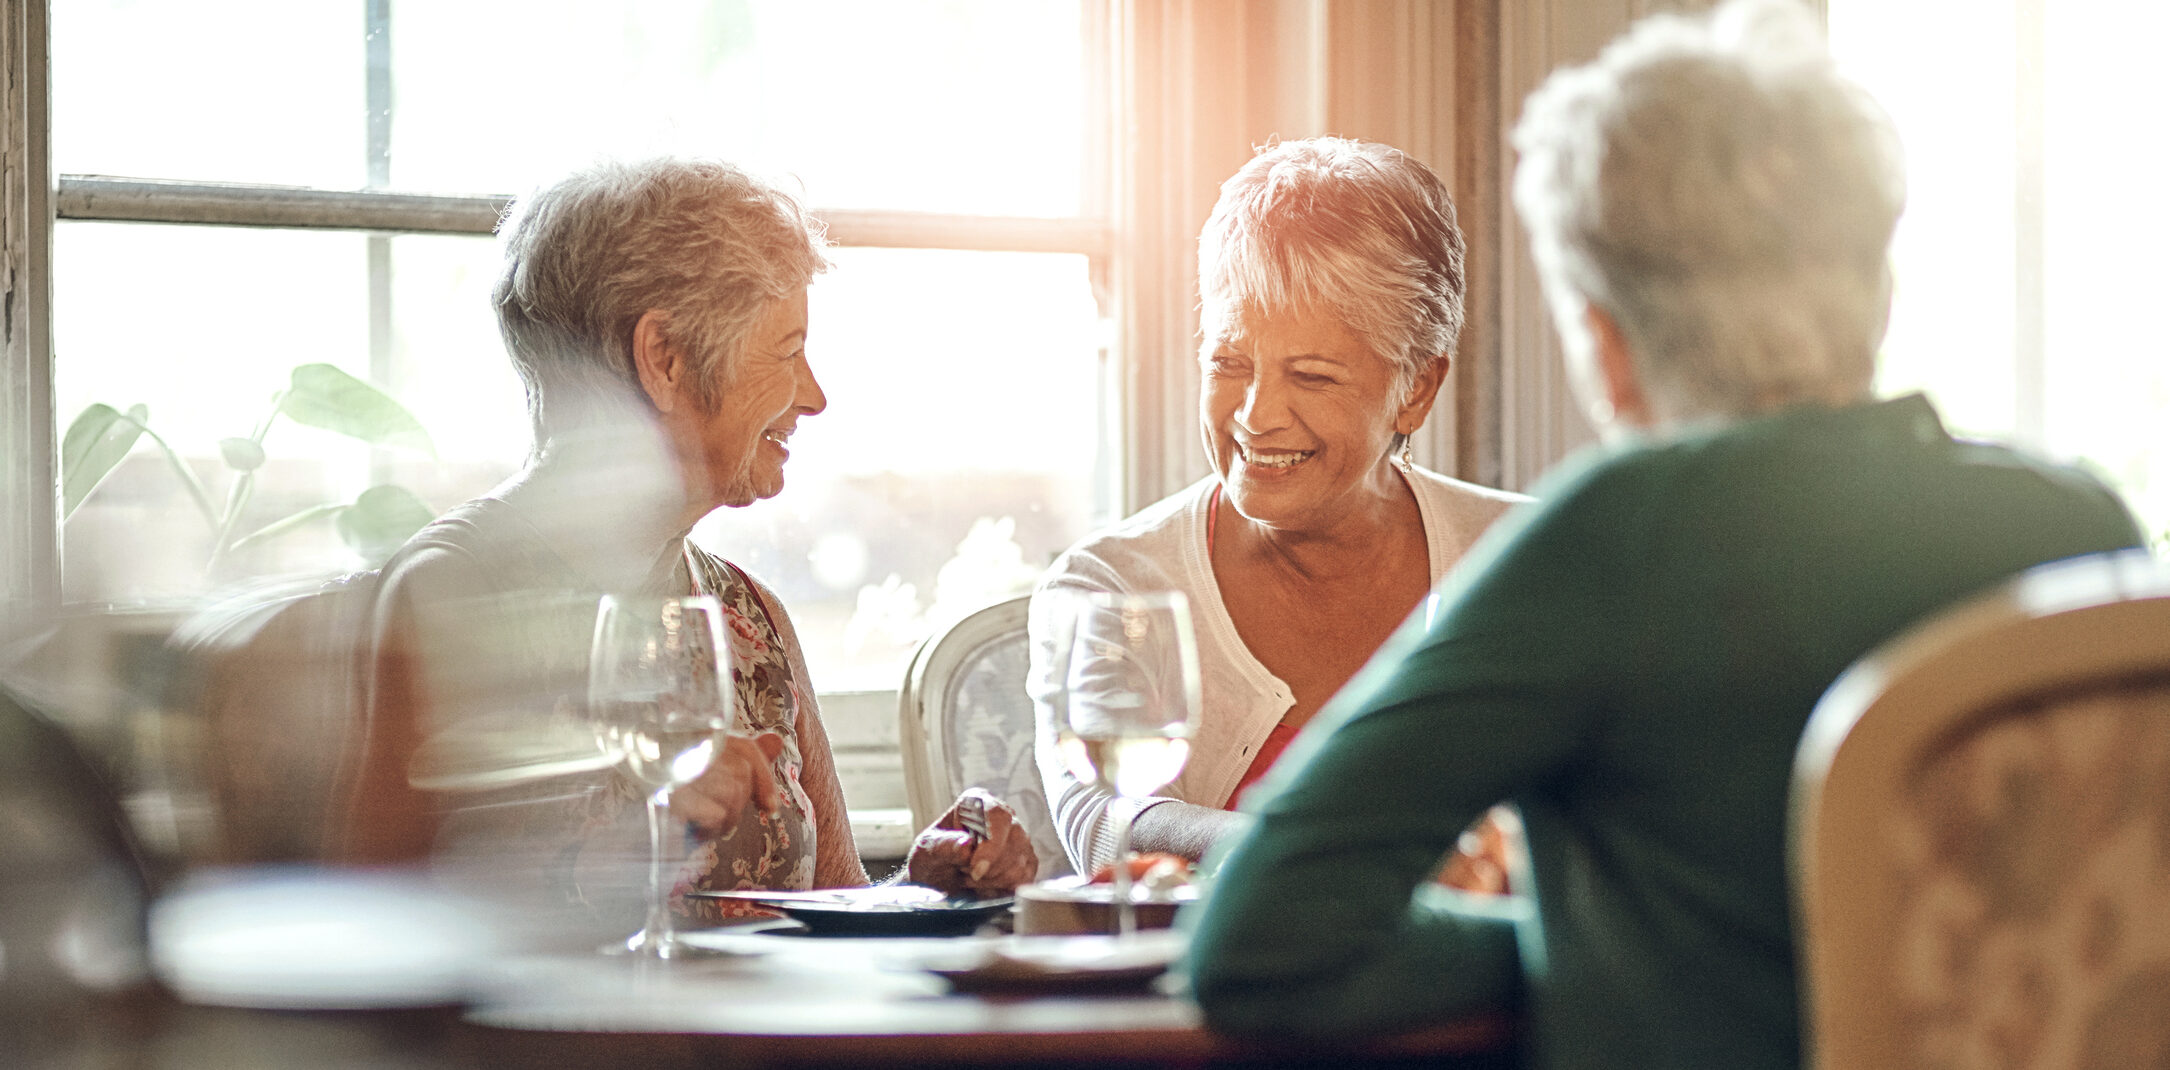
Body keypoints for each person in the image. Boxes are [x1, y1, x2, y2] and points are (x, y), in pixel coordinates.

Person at [1183, 3, 2149, 1068]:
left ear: (1604, 343)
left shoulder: (1609, 539)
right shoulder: (2078, 522)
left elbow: (1259, 940)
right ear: (1878, 292)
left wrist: (1577, 950)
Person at [334, 159, 1034, 934]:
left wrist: (933, 886)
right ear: (663, 356)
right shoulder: (446, 597)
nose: (814, 394)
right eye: (786, 349)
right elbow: (381, 940)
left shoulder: (745, 615)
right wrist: (635, 852)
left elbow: (825, 906)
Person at [1027, 137, 1527, 881]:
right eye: (1229, 364)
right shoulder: (1112, 585)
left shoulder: (1529, 552)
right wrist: (1345, 854)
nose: (1256, 416)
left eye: (1313, 375)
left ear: (1416, 388)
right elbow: (1105, 821)